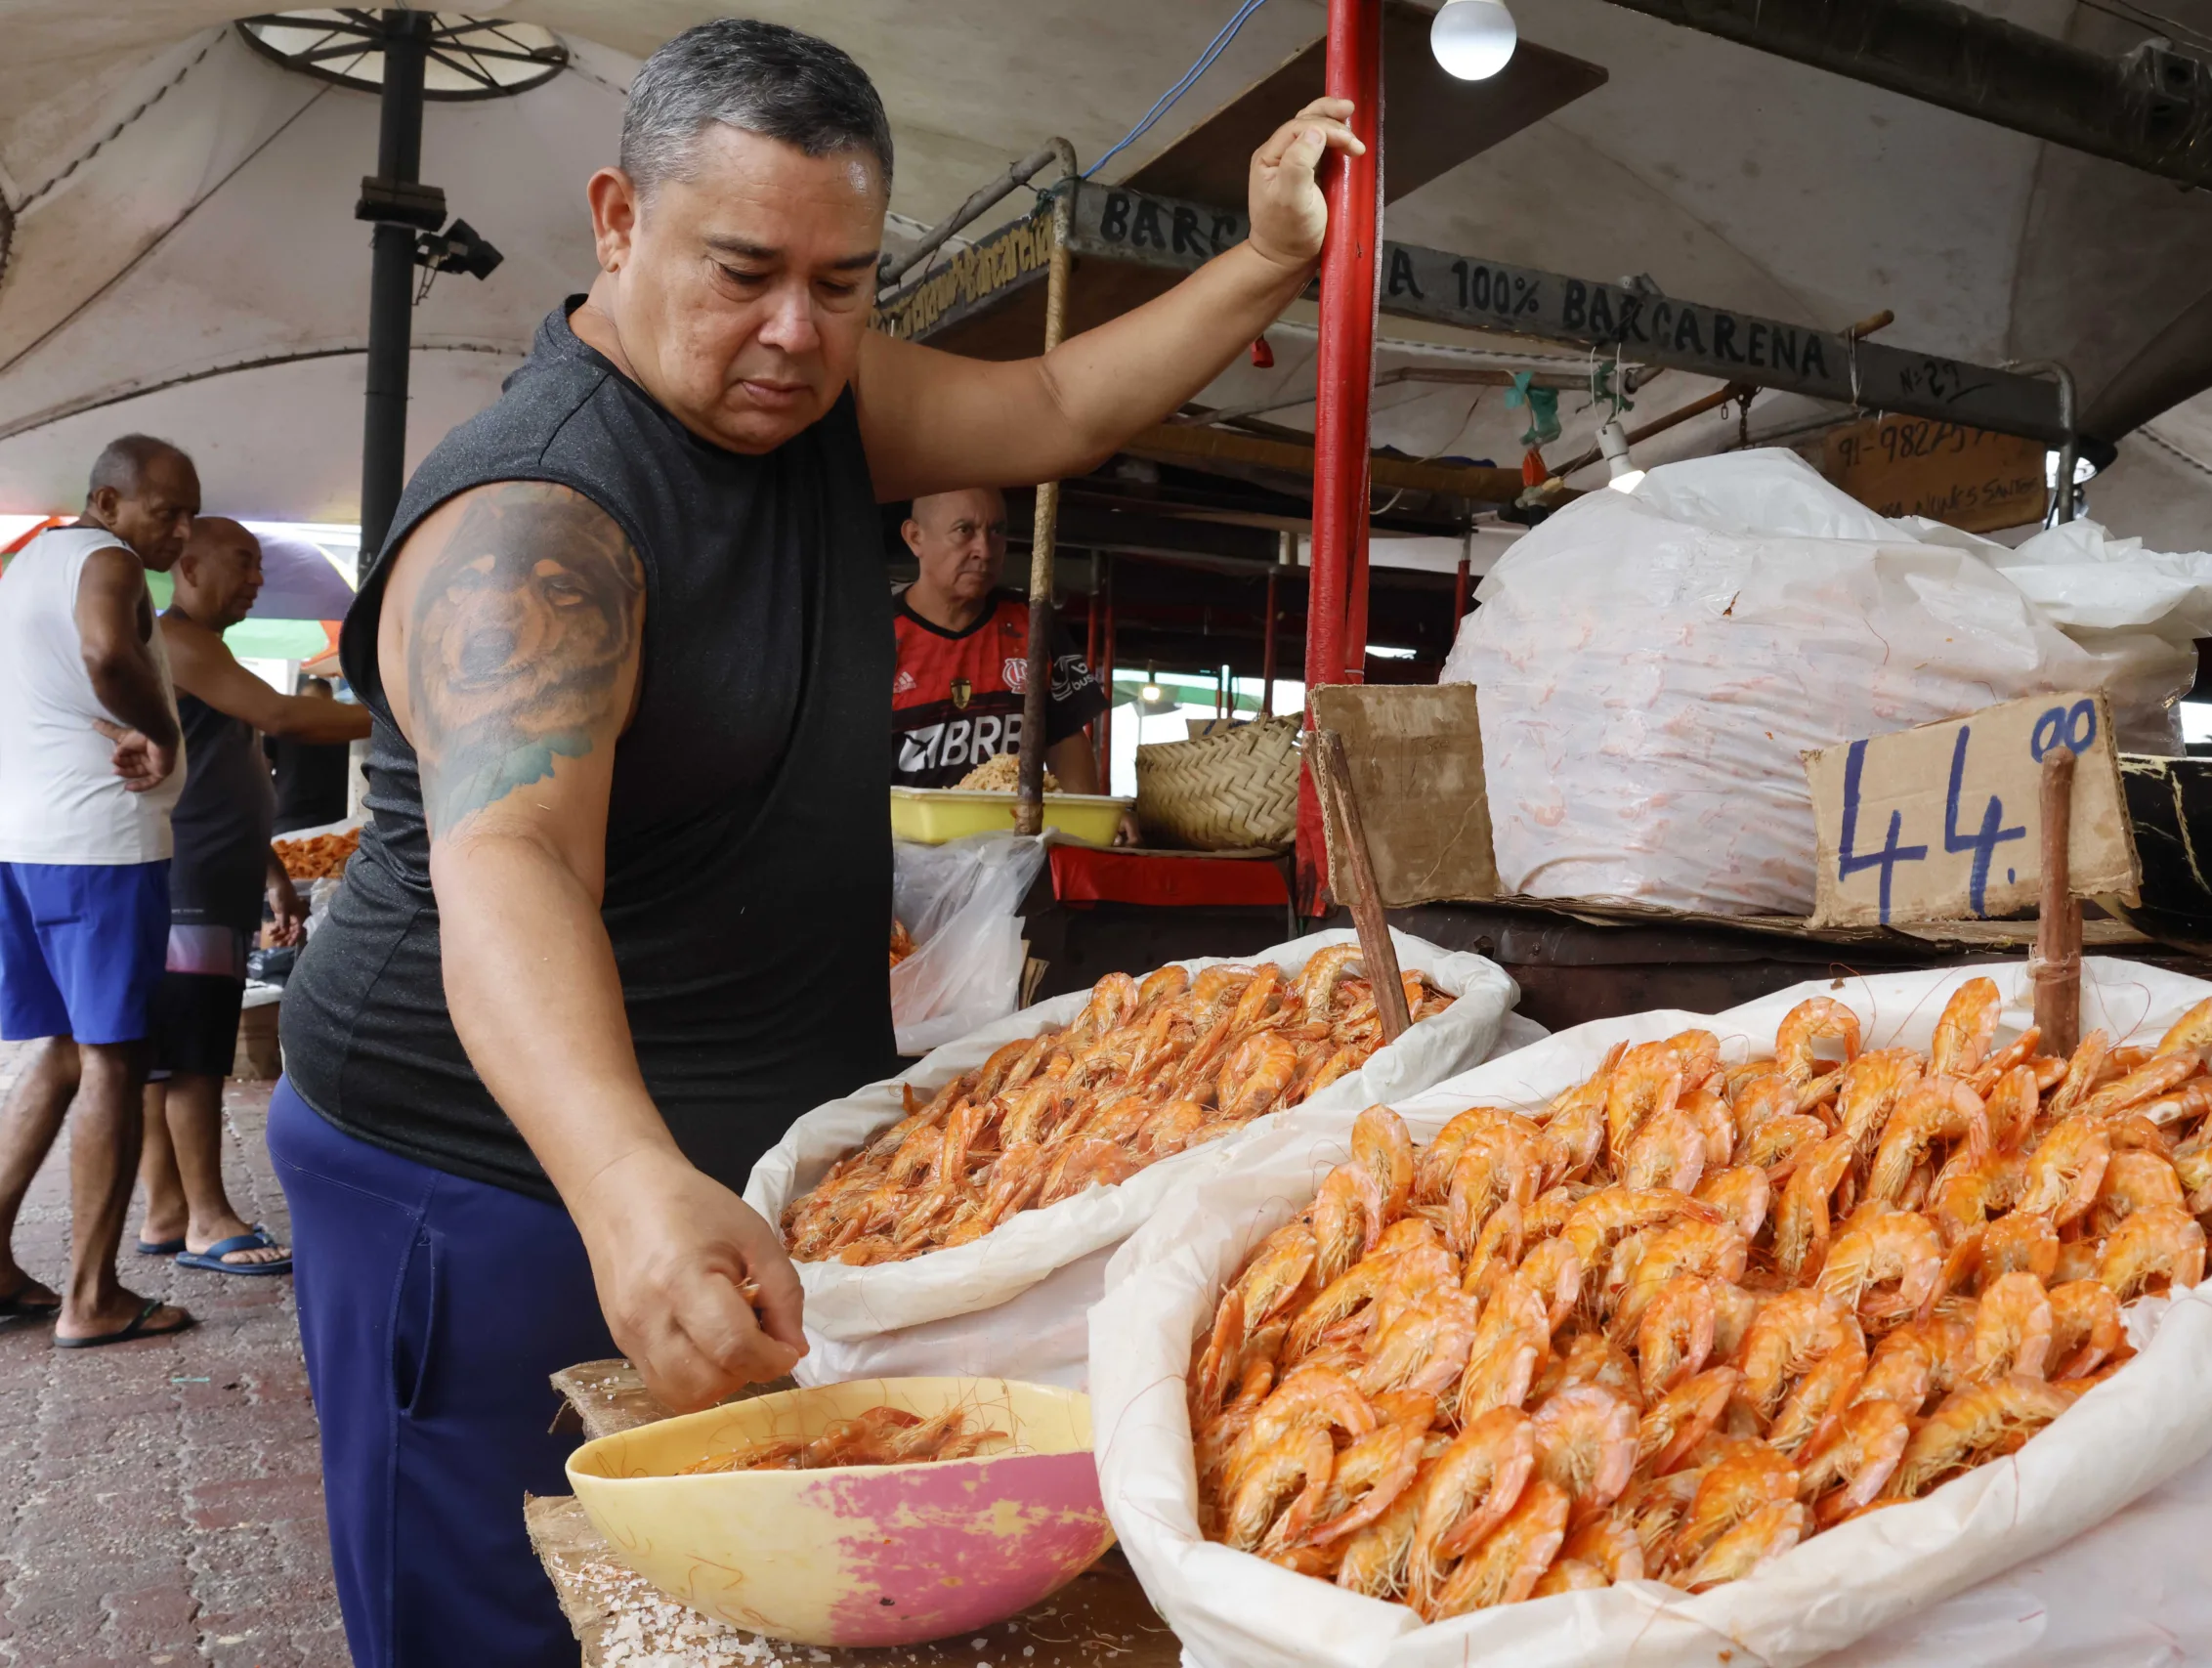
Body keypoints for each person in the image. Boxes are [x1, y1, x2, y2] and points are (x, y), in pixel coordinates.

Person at [276, 18, 1357, 1666]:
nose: (794, 331)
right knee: (502, 1617)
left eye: (843, 282)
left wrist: (1270, 257)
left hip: (755, 1166)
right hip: (487, 1176)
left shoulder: (820, 404)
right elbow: (514, 864)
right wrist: (628, 1188)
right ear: (617, 223)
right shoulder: (535, 521)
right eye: (745, 271)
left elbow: (1059, 398)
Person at [0, 434, 195, 1347]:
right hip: (99, 850)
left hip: (25, 842)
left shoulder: (26, 561)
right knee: (115, 1059)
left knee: (63, 1053)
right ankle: (92, 1295)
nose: (182, 532)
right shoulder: (105, 558)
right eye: (169, 511)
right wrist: (155, 726)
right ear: (109, 502)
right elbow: (106, 652)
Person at [136, 518, 370, 1278]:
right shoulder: (181, 641)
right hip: (192, 882)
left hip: (215, 873)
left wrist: (269, 872)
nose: (255, 578)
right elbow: (284, 717)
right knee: (195, 1058)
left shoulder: (208, 651)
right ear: (189, 565)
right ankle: (207, 1219)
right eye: (242, 562)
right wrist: (414, 718)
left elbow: (215, 775)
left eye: (260, 566)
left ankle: (169, 1207)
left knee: (171, 1055)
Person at [891, 486, 1113, 792]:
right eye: (964, 530)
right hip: (903, 838)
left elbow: (1065, 737)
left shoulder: (1034, 622)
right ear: (915, 538)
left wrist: (1090, 818)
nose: (985, 548)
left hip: (1013, 834)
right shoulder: (874, 634)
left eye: (997, 531)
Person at [266, 674, 356, 833]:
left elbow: (261, 771)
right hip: (336, 822)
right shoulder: (344, 728)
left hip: (288, 819)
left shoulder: (283, 726)